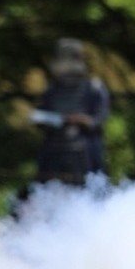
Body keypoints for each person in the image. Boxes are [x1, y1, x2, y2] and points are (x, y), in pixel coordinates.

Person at [33, 38, 110, 184]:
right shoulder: (51, 91)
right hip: (54, 154)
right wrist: (59, 119)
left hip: (85, 155)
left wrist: (82, 120)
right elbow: (39, 118)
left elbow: (100, 117)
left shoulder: (93, 88)